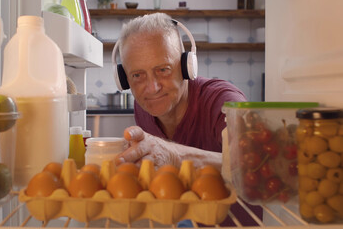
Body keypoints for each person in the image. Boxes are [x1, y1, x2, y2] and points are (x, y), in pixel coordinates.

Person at [112, 12, 261, 227]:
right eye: (137, 75)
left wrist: (172, 154)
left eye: (163, 70)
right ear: (124, 79)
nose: (152, 88)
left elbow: (251, 164)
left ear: (186, 66)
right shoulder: (143, 106)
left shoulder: (223, 100)